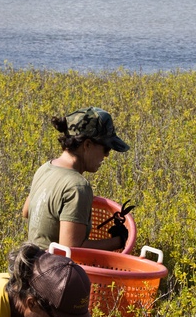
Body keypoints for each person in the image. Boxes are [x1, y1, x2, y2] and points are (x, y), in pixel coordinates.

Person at [22, 107, 130, 250]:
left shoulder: (44, 169)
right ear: (87, 145)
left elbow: (26, 212)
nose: (106, 155)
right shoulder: (77, 187)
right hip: (54, 269)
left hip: (30, 263)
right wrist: (120, 241)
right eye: (106, 148)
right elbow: (72, 249)